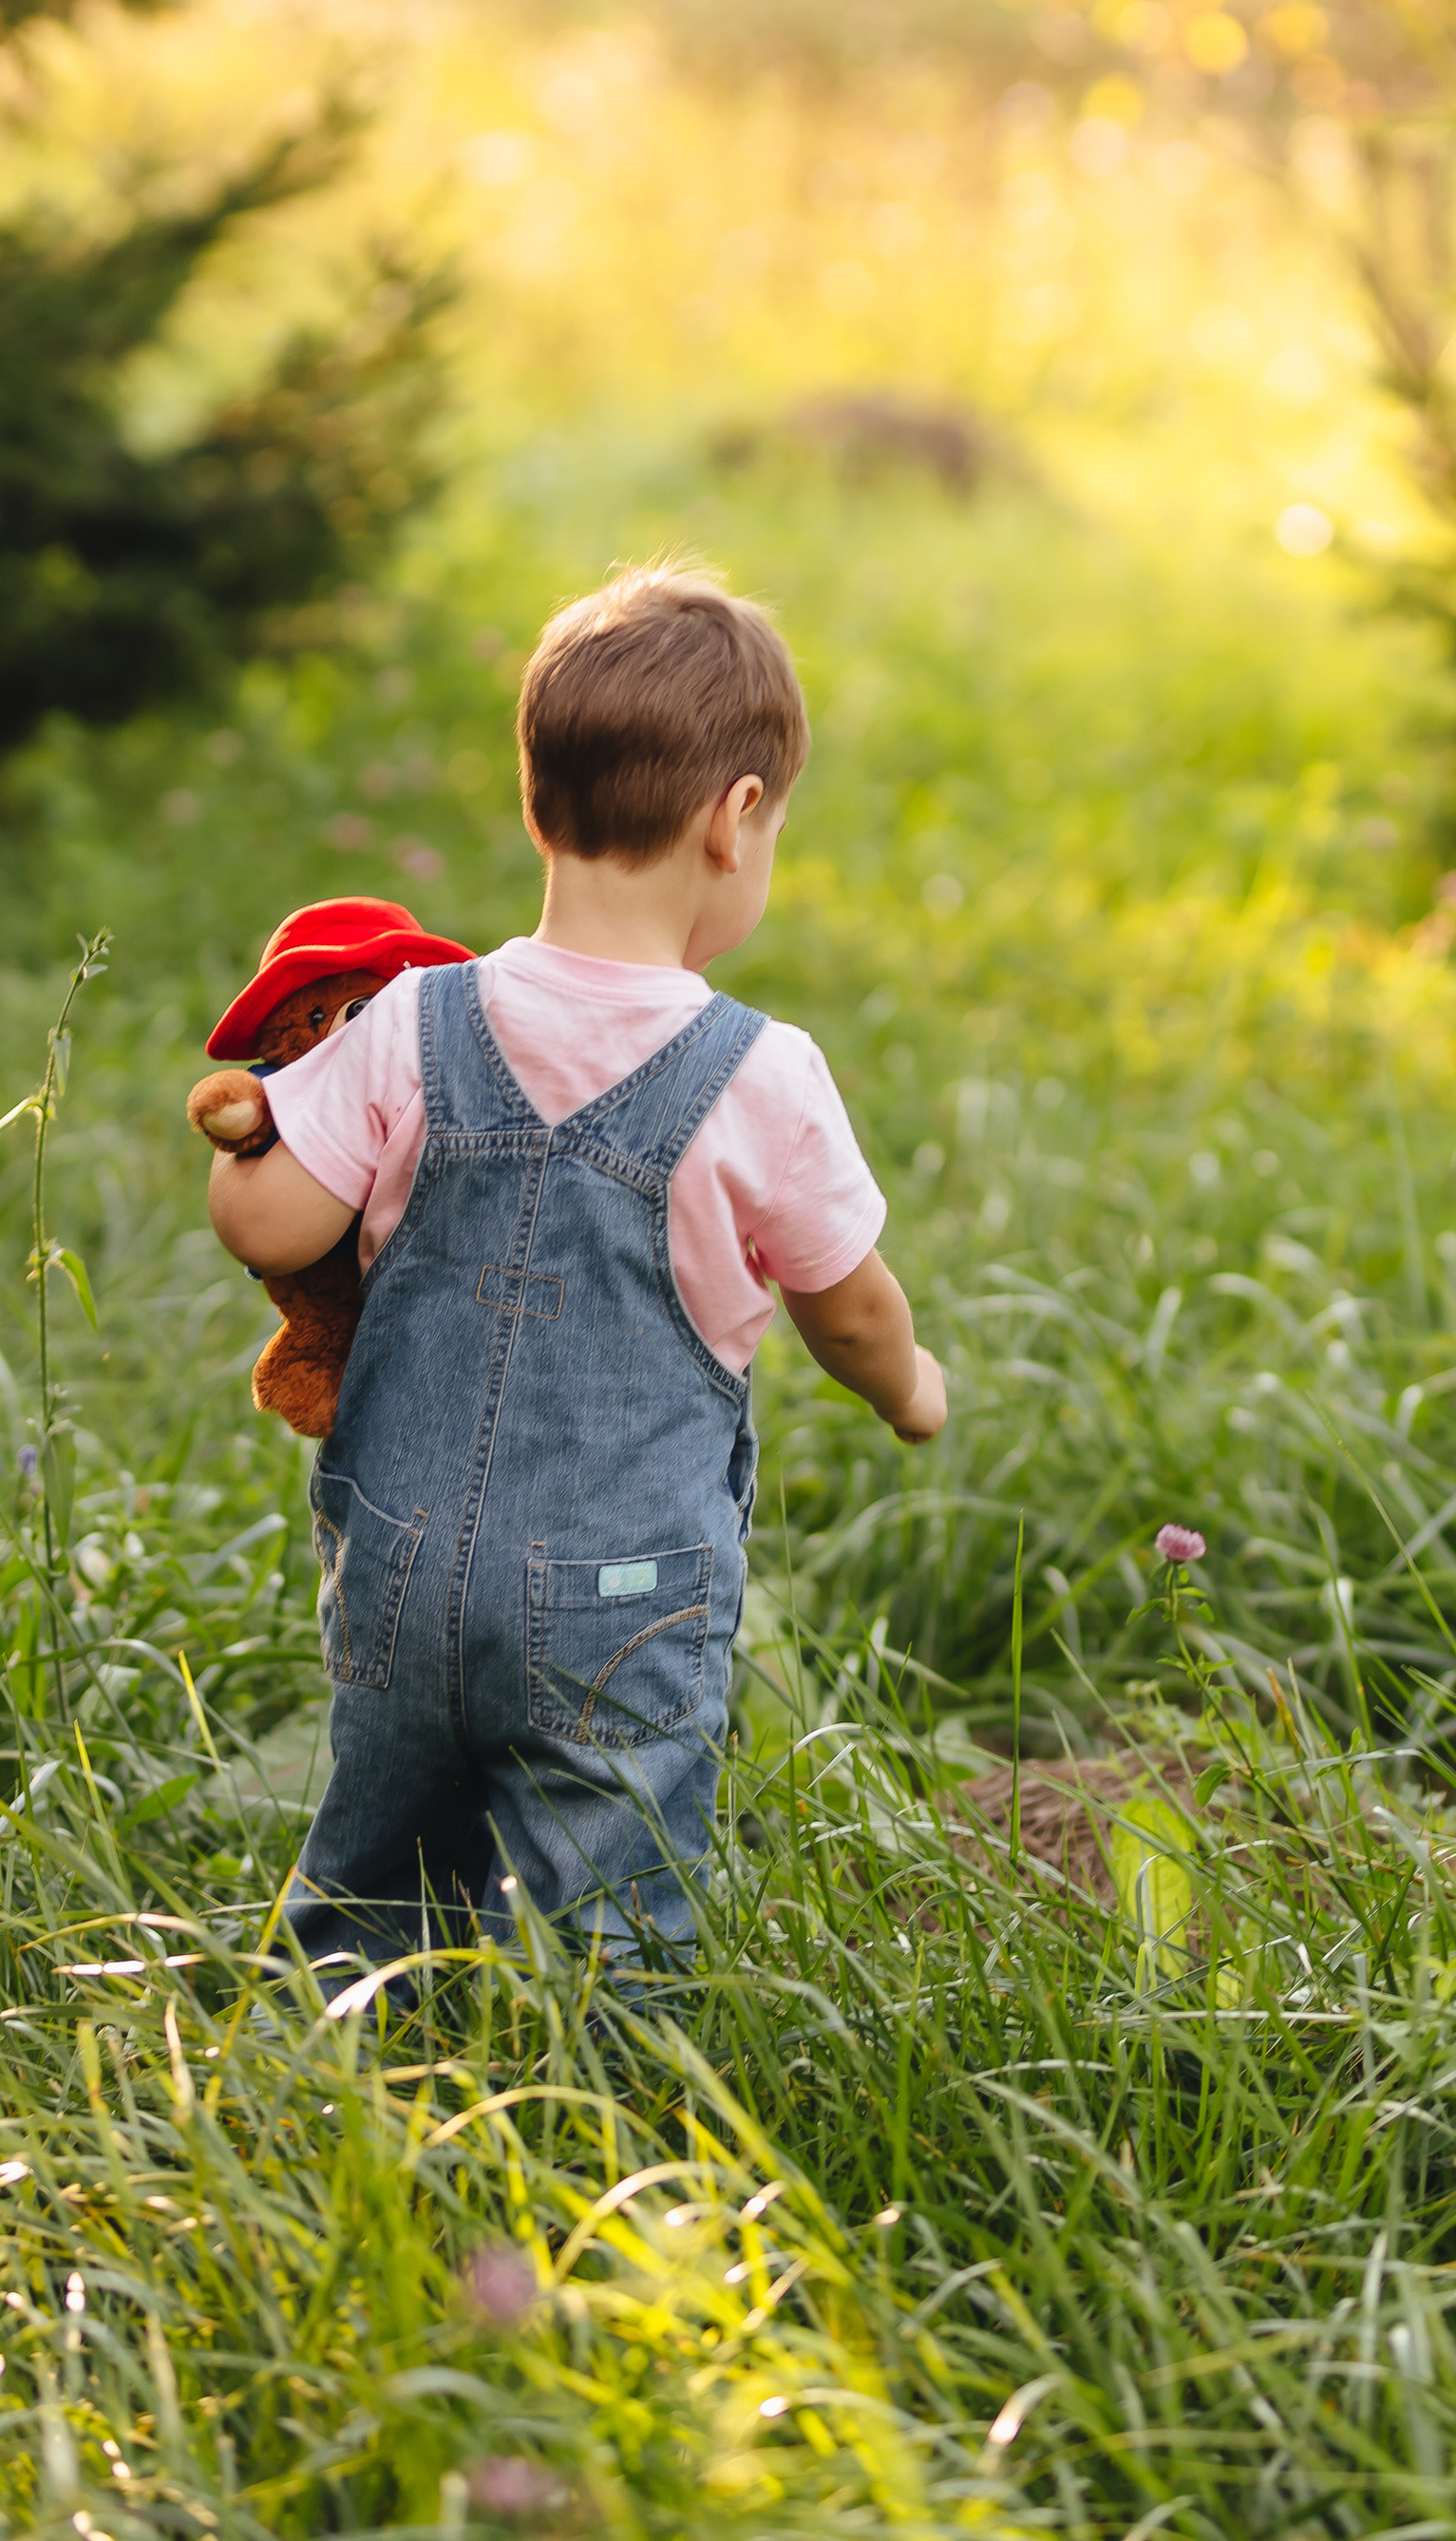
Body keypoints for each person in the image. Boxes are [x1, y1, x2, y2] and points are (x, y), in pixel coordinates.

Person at [204, 562, 947, 1984]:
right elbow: (848, 1307)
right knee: (614, 1921)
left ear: (535, 804)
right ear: (739, 824)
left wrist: (255, 1122)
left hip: (399, 1566)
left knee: (374, 1866)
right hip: (624, 1596)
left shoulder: (411, 1015)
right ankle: (603, 2147)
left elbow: (269, 1229)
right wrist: (909, 1388)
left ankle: (325, 2074)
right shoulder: (764, 1076)